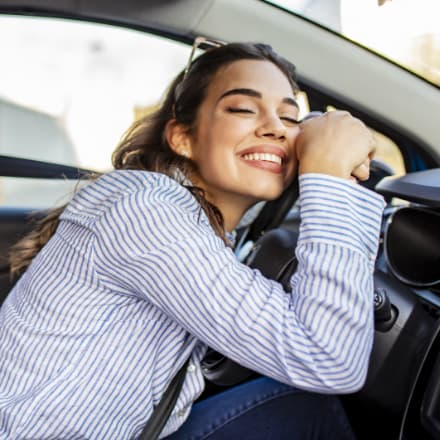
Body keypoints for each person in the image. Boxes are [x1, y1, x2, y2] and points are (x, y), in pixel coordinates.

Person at [0, 40, 385, 439]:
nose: (274, 127)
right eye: (242, 109)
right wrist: (328, 175)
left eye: (290, 118)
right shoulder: (146, 209)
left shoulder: (204, 224)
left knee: (297, 405)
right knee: (308, 408)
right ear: (182, 137)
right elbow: (329, 359)